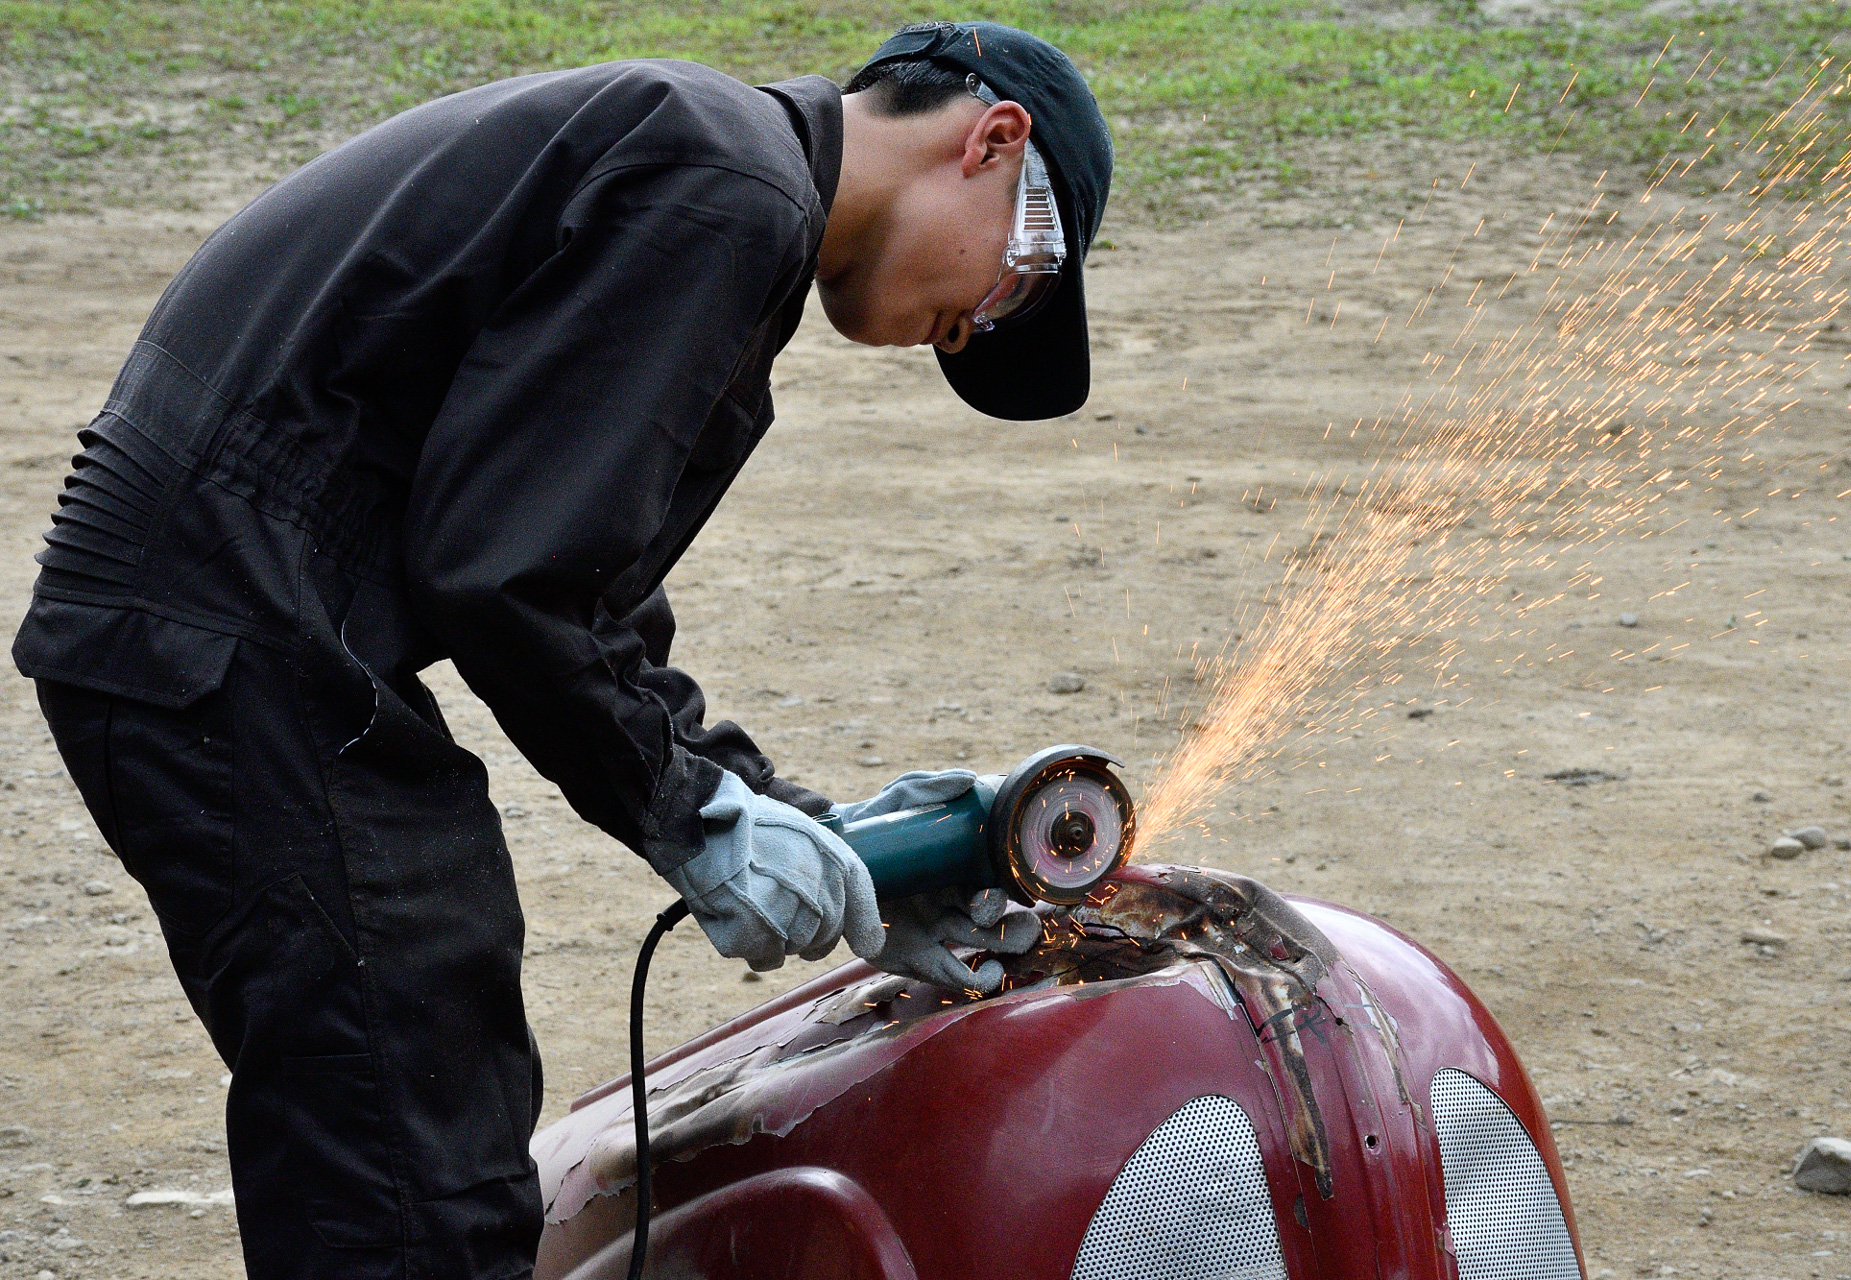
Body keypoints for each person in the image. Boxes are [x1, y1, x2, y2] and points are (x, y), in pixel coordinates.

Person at [11, 18, 1111, 1280]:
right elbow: (505, 568)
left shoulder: (717, 173)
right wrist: (694, 814)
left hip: (215, 615)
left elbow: (583, 591)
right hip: (221, 620)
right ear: (991, 142)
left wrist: (813, 829)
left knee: (404, 1055)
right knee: (402, 1135)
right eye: (1022, 273)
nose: (973, 325)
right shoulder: (726, 189)